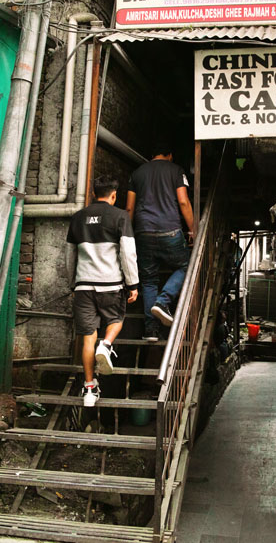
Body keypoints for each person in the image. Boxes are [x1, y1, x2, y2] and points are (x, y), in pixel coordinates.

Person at [66, 176, 139, 407]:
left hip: (83, 286)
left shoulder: (77, 218)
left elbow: (69, 256)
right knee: (116, 320)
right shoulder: (120, 217)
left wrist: (73, 284)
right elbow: (128, 253)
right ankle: (106, 345)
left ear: (93, 192)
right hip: (111, 285)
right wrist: (133, 283)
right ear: (114, 195)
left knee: (88, 337)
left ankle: (89, 388)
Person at [126, 141, 194, 342]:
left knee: (148, 280)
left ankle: (150, 330)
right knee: (186, 264)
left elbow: (129, 208)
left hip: (143, 232)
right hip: (170, 231)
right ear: (170, 155)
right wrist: (192, 229)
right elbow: (183, 201)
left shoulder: (137, 173)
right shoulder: (176, 170)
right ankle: (163, 301)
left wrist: (129, 235)